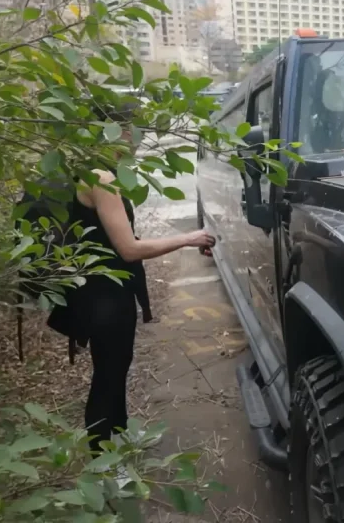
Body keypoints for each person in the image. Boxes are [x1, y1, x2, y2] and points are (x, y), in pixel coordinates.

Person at [47, 101, 214, 453]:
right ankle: (103, 461)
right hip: (106, 297)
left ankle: (119, 437)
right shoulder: (103, 179)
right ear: (119, 132)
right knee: (108, 376)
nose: (139, 142)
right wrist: (188, 238)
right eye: (136, 132)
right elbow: (129, 249)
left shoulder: (83, 170)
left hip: (96, 292)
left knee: (115, 367)